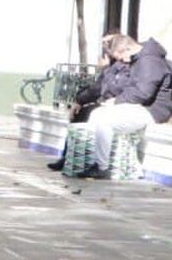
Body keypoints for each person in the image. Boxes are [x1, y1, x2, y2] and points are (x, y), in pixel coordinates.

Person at [73, 35, 172, 180]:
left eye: (121, 57)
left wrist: (117, 101)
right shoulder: (140, 58)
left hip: (152, 111)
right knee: (97, 114)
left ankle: (101, 167)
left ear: (127, 48)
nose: (124, 61)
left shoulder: (149, 61)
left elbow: (143, 92)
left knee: (104, 120)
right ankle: (98, 161)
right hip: (140, 107)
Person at [46, 33, 134, 172]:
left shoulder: (126, 65)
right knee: (79, 113)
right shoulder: (114, 65)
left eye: (108, 43)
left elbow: (112, 87)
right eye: (104, 43)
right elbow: (97, 88)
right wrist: (79, 100)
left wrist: (105, 70)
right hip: (105, 102)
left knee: (93, 115)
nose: (106, 47)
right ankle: (68, 156)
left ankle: (92, 162)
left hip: (117, 105)